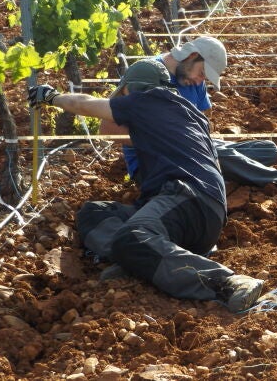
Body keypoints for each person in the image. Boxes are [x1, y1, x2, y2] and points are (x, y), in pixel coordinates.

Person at [28, 59, 264, 313]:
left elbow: (83, 105)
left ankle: (225, 283)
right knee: (95, 212)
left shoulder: (146, 100)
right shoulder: (189, 113)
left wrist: (52, 97)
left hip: (187, 198)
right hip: (205, 212)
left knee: (133, 235)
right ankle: (135, 259)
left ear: (131, 88)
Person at [100, 36, 277, 190]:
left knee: (267, 149)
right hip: (155, 165)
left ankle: (229, 168)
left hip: (191, 150)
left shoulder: (192, 78)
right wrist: (167, 141)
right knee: (220, 155)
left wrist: (201, 143)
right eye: (203, 73)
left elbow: (204, 123)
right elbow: (107, 130)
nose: (200, 81)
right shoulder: (146, 74)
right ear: (193, 56)